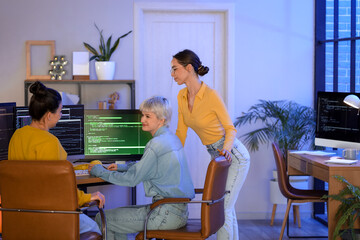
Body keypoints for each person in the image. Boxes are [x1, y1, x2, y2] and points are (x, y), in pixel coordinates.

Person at [89, 96, 195, 240]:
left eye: (147, 116)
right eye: (142, 115)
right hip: (179, 213)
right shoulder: (171, 139)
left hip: (163, 214)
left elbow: (131, 180)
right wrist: (121, 167)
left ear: (161, 120)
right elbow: (150, 166)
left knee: (103, 218)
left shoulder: (155, 144)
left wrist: (98, 170)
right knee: (113, 217)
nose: (142, 120)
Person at [171, 49, 251, 240]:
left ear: (189, 68)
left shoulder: (211, 95)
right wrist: (170, 155)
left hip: (233, 155)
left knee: (223, 207)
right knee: (225, 206)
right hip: (216, 155)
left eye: (175, 69)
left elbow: (230, 129)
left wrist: (225, 150)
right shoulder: (182, 97)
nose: (172, 74)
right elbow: (181, 133)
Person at [8, 81, 105, 235]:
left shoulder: (17, 136)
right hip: (49, 216)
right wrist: (88, 197)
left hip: (20, 217)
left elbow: (35, 175)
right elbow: (60, 190)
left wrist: (81, 167)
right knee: (96, 228)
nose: (61, 115)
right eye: (59, 111)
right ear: (48, 115)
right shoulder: (50, 142)